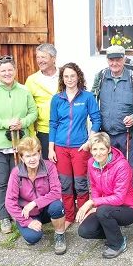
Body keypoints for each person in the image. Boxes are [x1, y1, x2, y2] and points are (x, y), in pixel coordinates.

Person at [0, 55, 38, 234]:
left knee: (20, 180)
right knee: (2, 181)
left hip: (20, 145)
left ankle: (20, 213)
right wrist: (6, 124)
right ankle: (4, 216)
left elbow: (33, 112)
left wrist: (22, 122)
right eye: (3, 70)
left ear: (15, 71)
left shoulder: (24, 90)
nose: (7, 73)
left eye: (10, 70)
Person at [92, 44, 133, 222]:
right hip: (106, 134)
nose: (114, 63)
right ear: (107, 60)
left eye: (118, 59)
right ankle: (114, 204)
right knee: (108, 171)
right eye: (111, 59)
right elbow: (93, 102)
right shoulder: (100, 76)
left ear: (124, 59)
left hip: (128, 134)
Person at [49, 62, 101, 228]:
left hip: (80, 147)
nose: (70, 79)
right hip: (60, 147)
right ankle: (69, 216)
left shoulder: (87, 97)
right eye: (66, 76)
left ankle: (83, 214)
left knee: (80, 183)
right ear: (62, 79)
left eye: (72, 75)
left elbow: (96, 119)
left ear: (78, 77)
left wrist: (89, 141)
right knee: (65, 183)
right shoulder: (57, 99)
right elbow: (53, 123)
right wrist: (51, 148)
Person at [77, 132, 133, 258]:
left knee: (103, 212)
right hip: (106, 206)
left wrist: (92, 203)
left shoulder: (121, 165)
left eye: (102, 149)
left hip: (129, 208)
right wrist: (94, 206)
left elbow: (119, 198)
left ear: (109, 149)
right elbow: (95, 187)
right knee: (84, 231)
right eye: (94, 149)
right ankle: (116, 234)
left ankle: (118, 244)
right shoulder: (91, 163)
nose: (98, 153)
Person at [5, 137, 67, 255]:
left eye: (34, 154)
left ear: (39, 153)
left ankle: (60, 235)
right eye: (28, 156)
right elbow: (10, 202)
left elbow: (56, 192)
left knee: (57, 206)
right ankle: (30, 225)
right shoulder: (16, 173)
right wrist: (27, 222)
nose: (32, 159)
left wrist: (34, 203)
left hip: (46, 210)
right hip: (28, 214)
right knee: (33, 238)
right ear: (22, 158)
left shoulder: (49, 167)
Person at [25, 43, 59, 160]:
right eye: (38, 57)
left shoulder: (65, 76)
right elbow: (27, 108)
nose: (40, 61)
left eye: (43, 57)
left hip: (65, 129)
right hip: (44, 131)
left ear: (53, 58)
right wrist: (31, 135)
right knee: (46, 166)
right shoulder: (32, 80)